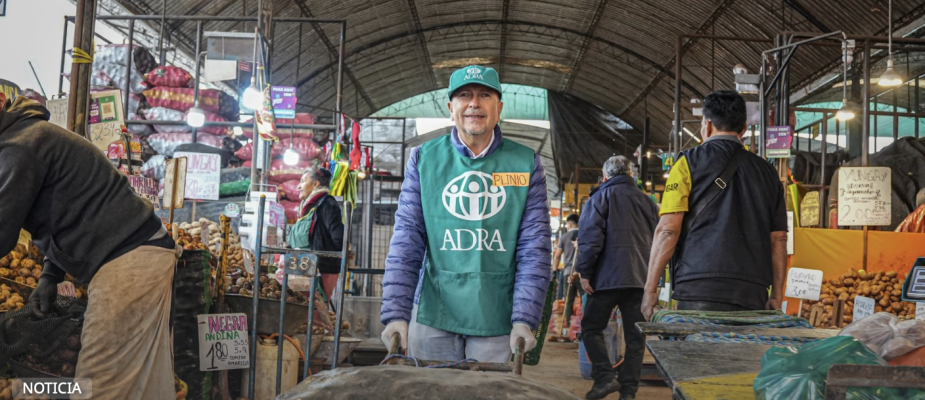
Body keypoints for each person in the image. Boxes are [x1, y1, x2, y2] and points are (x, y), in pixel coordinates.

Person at [0, 93, 179, 399]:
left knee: (97, 385)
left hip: (128, 263)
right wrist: (49, 276)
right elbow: (68, 211)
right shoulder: (30, 135)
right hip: (141, 254)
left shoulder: (20, 146)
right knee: (143, 384)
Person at [379, 65, 551, 362]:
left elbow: (534, 248)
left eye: (484, 95)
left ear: (499, 108)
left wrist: (524, 318)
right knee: (431, 392)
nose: (474, 103)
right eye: (464, 95)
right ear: (451, 108)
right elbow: (407, 239)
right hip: (434, 311)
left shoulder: (525, 163)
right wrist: (396, 313)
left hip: (496, 314)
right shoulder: (424, 159)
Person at [641, 90, 788, 320]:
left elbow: (668, 230)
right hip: (751, 293)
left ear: (707, 125)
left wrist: (650, 291)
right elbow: (778, 240)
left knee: (697, 354)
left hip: (697, 287)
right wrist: (777, 296)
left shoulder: (686, 163)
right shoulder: (768, 172)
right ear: (744, 130)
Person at [574, 156, 658, 400]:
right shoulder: (648, 202)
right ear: (631, 174)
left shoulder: (599, 197)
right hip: (641, 279)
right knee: (635, 338)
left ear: (605, 176)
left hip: (606, 279)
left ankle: (605, 378)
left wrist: (585, 273)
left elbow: (590, 239)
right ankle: (629, 392)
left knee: (590, 328)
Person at [288, 167, 344, 300]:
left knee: (316, 312)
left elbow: (339, 238)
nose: (298, 186)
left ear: (315, 184)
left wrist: (325, 261)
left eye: (303, 181)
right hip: (302, 266)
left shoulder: (327, 204)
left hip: (320, 270)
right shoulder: (308, 207)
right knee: (300, 308)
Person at [553, 213, 580, 298]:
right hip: (582, 273)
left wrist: (554, 270)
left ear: (570, 224)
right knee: (584, 300)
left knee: (568, 301)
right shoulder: (585, 235)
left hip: (568, 272)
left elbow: (557, 256)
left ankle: (568, 312)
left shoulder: (564, 237)